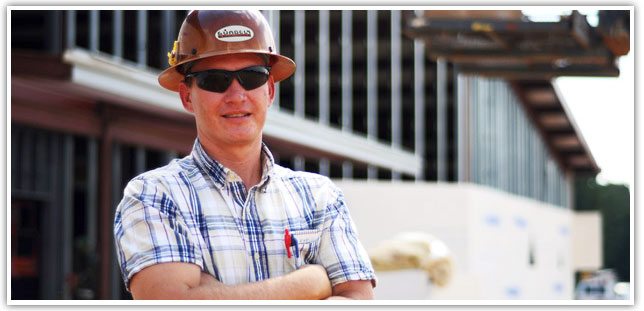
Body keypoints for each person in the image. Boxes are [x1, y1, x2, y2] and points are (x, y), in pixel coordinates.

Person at [113, 10, 376, 300]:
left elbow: (357, 300)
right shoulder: (155, 196)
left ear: (270, 91)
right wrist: (309, 283)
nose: (237, 95)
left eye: (252, 77)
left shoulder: (319, 197)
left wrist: (214, 294)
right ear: (187, 96)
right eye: (214, 80)